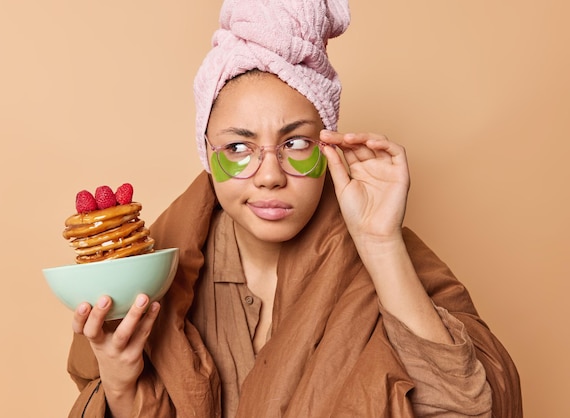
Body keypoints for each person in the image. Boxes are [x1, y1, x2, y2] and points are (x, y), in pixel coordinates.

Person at [66, 0, 522, 416]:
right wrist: (122, 382)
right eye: (239, 147)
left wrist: (380, 245)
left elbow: (472, 408)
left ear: (329, 145)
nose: (269, 175)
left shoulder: (385, 256)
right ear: (207, 153)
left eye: (296, 142)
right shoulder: (160, 273)